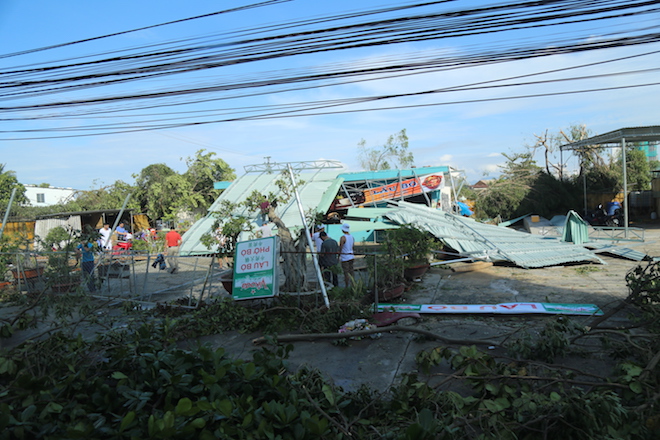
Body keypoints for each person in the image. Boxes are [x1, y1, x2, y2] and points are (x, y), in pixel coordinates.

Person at [339, 223, 355, 288]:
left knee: (346, 272)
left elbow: (341, 247)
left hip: (345, 257)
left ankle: (346, 286)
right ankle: (353, 285)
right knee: (351, 271)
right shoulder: (352, 237)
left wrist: (338, 255)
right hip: (351, 256)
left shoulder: (343, 237)